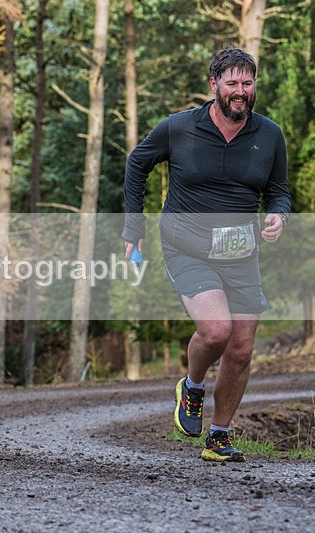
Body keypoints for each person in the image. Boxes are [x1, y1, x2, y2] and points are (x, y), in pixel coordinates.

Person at [122, 48, 290, 462]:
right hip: (188, 246)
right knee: (217, 331)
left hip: (240, 252)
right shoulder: (179, 127)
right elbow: (137, 164)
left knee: (241, 348)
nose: (240, 91)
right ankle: (192, 385)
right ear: (214, 84)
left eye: (247, 83)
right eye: (232, 83)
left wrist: (278, 215)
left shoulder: (269, 134)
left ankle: (219, 436)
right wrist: (134, 228)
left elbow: (278, 190)